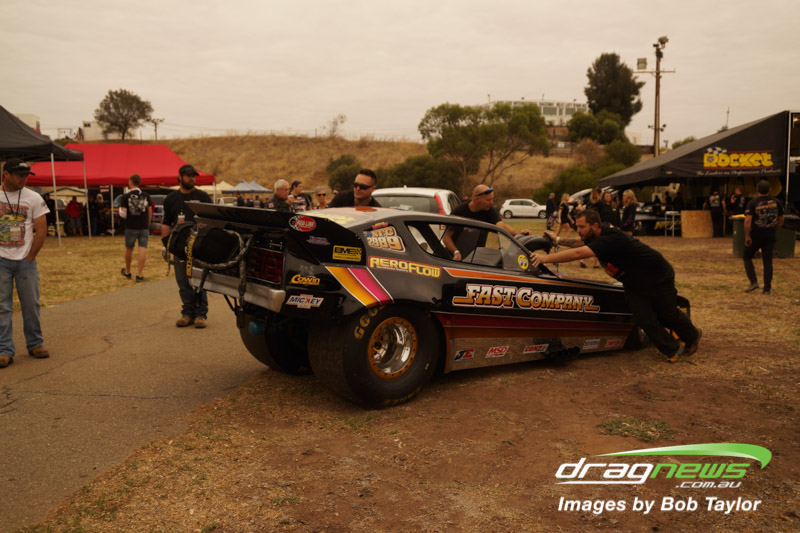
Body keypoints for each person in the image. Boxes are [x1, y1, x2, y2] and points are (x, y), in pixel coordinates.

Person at [530, 209, 702, 363]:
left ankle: (693, 336)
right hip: (633, 281)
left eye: (582, 227)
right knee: (643, 317)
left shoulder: (611, 237)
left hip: (656, 275)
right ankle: (672, 349)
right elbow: (579, 242)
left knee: (667, 313)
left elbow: (578, 253)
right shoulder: (596, 236)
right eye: (577, 226)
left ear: (595, 225)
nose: (579, 230)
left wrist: (545, 259)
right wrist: (557, 239)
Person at [0, 159, 51, 368]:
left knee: (31, 304)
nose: (24, 179)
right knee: (2, 306)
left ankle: (35, 343)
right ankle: (4, 350)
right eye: (19, 175)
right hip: (1, 260)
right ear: (5, 175)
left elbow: (42, 228)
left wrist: (30, 256)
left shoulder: (34, 198)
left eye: (26, 175)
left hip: (25, 261)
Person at [162, 164, 212, 328]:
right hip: (179, 248)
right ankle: (187, 313)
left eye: (193, 176)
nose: (192, 178)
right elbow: (166, 223)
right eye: (189, 175)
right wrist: (167, 245)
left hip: (199, 248)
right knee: (183, 282)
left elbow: (212, 221)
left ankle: (201, 315)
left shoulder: (203, 197)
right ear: (180, 177)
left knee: (199, 281)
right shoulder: (171, 199)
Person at [443, 184, 531, 261]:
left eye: (492, 199)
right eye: (488, 200)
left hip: (475, 258)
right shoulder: (459, 211)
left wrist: (518, 234)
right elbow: (446, 238)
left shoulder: (488, 211)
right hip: (454, 258)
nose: (492, 203)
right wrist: (456, 252)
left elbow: (501, 226)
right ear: (477, 199)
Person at [743, 180, 784, 295]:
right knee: (767, 261)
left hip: (756, 235)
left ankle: (753, 281)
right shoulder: (777, 202)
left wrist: (747, 236)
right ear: (769, 190)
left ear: (757, 190)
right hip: (770, 235)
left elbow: (748, 221)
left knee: (747, 256)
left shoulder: (753, 203)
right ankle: (767, 289)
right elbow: (781, 219)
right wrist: (774, 230)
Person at [119, 174, 152, 282]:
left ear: (131, 182)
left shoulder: (125, 197)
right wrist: (148, 224)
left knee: (129, 249)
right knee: (142, 249)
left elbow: (123, 214)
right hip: (143, 226)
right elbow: (150, 211)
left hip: (131, 226)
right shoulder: (146, 195)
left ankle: (128, 272)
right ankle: (139, 274)